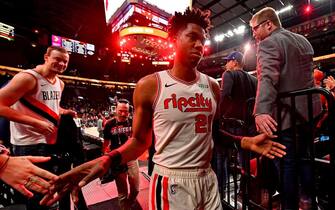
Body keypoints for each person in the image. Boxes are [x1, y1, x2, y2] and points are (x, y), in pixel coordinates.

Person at [41, 8, 286, 209]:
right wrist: (109, 159)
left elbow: (214, 133)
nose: (200, 45)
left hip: (208, 178)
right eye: (192, 37)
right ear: (174, 39)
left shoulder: (212, 86)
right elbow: (139, 141)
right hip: (172, 180)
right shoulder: (150, 85)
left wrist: (246, 142)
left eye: (203, 40)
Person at [250, 7, 321, 209]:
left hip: (288, 117)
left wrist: (261, 110)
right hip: (310, 112)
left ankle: (289, 206)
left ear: (268, 24)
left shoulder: (269, 43)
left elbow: (268, 79)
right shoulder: (303, 40)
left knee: (286, 163)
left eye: (255, 29)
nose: (254, 34)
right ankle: (308, 201)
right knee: (306, 158)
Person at [0, 46, 76, 210]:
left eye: (65, 61)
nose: (61, 64)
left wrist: (63, 111)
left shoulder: (60, 83)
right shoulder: (28, 78)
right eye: (57, 59)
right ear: (46, 57)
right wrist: (35, 123)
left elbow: (49, 107)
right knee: (37, 196)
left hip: (50, 142)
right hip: (28, 145)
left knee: (52, 190)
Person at [214, 51, 257, 199]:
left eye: (228, 61)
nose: (226, 65)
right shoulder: (254, 79)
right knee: (245, 162)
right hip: (249, 125)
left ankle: (221, 193)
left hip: (231, 125)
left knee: (222, 158)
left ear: (234, 62)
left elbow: (224, 95)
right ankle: (244, 192)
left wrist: (218, 116)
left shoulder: (229, 74)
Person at [101, 99, 139, 210]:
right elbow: (106, 143)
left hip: (131, 157)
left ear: (129, 111)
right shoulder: (109, 124)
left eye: (126, 111)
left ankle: (129, 204)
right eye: (121, 111)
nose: (123, 114)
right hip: (117, 159)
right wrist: (105, 157)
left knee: (136, 189)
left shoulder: (133, 122)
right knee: (122, 192)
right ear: (115, 110)